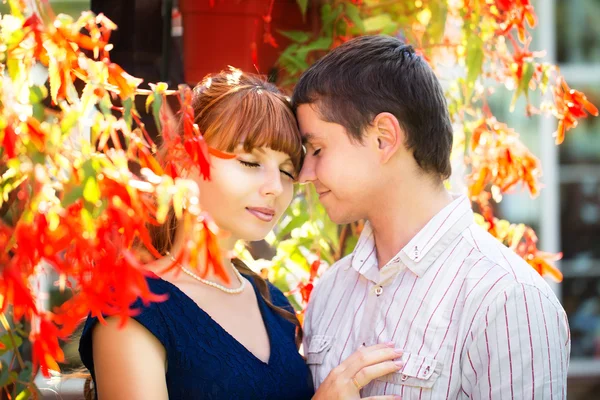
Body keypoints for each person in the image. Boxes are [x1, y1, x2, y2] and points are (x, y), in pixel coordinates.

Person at [78, 67, 404, 400]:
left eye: (288, 171)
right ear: (184, 160)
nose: (275, 187)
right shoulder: (132, 306)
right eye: (250, 163)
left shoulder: (274, 305)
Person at [293, 35, 571, 399]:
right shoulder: (331, 290)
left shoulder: (507, 300)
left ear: (383, 138)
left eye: (316, 149)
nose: (305, 174)